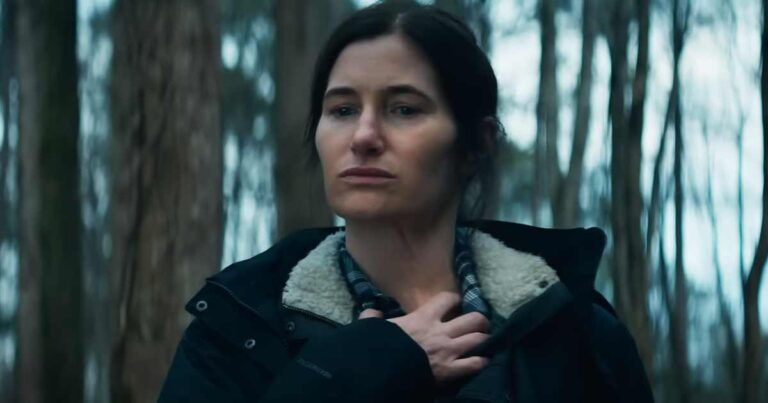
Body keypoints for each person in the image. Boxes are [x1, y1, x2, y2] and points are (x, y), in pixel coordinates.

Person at [159, 2, 654, 402]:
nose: (363, 136)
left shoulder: (575, 334)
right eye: (343, 109)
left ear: (475, 144)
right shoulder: (240, 326)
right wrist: (364, 365)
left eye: (403, 109)